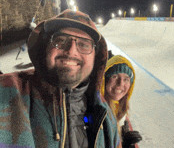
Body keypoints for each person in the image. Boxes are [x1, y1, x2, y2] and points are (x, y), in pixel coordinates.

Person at [0, 9, 121, 148]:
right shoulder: (8, 92)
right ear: (45, 47)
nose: (71, 51)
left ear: (96, 57)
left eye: (83, 44)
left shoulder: (106, 117)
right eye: (61, 40)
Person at [101, 54, 142, 148]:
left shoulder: (120, 108)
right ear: (105, 79)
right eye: (115, 76)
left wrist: (127, 143)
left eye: (126, 79)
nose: (120, 83)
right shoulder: (95, 110)